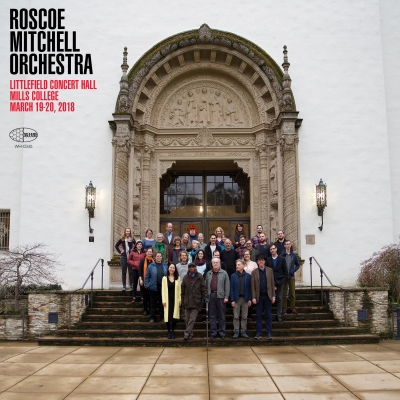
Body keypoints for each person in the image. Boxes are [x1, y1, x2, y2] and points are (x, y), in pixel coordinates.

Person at [251, 253, 276, 340]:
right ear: (257, 262)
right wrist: (253, 297)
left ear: (264, 261)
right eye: (259, 260)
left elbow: (272, 284)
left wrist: (273, 296)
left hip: (268, 296)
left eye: (262, 260)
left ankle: (269, 332)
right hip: (259, 296)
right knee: (258, 315)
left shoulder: (270, 270)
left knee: (268, 315)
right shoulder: (254, 272)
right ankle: (259, 333)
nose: (261, 261)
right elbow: (253, 286)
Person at [181, 263, 208, 340]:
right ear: (188, 268)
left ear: (195, 267)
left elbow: (203, 287)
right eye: (190, 267)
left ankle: (186, 333)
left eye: (193, 267)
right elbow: (182, 290)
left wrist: (206, 296)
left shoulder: (200, 276)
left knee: (192, 319)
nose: (192, 268)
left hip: (196, 301)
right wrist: (182, 300)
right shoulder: (185, 277)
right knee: (187, 319)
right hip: (187, 301)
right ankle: (190, 333)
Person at [205, 257, 230, 339]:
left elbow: (227, 286)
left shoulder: (224, 273)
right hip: (211, 296)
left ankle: (222, 333)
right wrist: (206, 297)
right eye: (214, 262)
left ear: (219, 263)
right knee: (212, 316)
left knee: (221, 316)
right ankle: (213, 333)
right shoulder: (208, 273)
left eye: (217, 262)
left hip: (221, 296)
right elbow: (205, 286)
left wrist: (226, 296)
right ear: (212, 264)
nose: (215, 264)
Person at [266, 243, 288, 322]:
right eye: (271, 249)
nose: (272, 250)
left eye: (273, 248)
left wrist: (283, 279)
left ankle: (279, 315)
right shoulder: (268, 260)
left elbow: (285, 271)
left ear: (276, 249)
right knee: (269, 298)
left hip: (280, 280)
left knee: (279, 298)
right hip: (270, 281)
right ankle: (268, 315)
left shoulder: (282, 259)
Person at [230, 259, 252, 338]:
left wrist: (250, 299)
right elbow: (231, 288)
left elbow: (250, 288)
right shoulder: (233, 276)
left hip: (245, 299)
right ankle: (236, 331)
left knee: (244, 316)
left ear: (243, 266)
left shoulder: (248, 276)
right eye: (236, 265)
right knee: (236, 316)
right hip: (236, 299)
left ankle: (243, 331)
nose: (237, 266)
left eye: (239, 265)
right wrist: (232, 299)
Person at [145, 251, 168, 323]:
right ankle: (152, 318)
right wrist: (148, 285)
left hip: (163, 288)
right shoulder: (151, 266)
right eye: (157, 256)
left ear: (162, 257)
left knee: (162, 304)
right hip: (153, 288)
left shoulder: (165, 266)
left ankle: (162, 318)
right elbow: (147, 276)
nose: (159, 257)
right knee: (152, 304)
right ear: (155, 257)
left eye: (160, 256)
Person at [162, 263, 181, 339]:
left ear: (175, 269)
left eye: (173, 268)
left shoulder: (178, 278)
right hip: (167, 299)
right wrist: (163, 300)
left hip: (175, 300)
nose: (172, 269)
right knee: (168, 316)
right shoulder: (164, 278)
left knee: (174, 316)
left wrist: (180, 299)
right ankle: (168, 331)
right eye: (171, 267)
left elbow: (179, 290)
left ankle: (173, 331)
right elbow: (163, 290)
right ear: (168, 268)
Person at [115, 227, 136, 292]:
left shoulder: (132, 239)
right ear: (125, 232)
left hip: (130, 257)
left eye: (129, 231)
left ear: (130, 232)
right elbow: (116, 246)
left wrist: (133, 250)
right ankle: (124, 286)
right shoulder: (122, 239)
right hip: (123, 257)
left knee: (131, 272)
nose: (128, 232)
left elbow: (136, 246)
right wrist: (120, 251)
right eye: (127, 231)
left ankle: (131, 286)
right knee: (124, 272)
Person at [282, 240, 300, 315]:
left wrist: (293, 270)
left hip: (291, 276)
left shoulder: (294, 255)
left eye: (289, 244)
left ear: (291, 245)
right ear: (284, 246)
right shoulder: (282, 255)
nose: (288, 245)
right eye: (286, 244)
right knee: (284, 294)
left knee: (292, 293)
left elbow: (298, 264)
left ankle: (293, 308)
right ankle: (284, 309)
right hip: (284, 277)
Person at [139, 247, 153, 316]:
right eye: (148, 252)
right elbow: (140, 271)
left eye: (151, 252)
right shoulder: (142, 260)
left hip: (151, 282)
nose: (150, 253)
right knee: (145, 297)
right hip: (144, 281)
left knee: (151, 297)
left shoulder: (154, 261)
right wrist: (140, 279)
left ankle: (151, 310)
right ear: (146, 252)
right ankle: (145, 310)